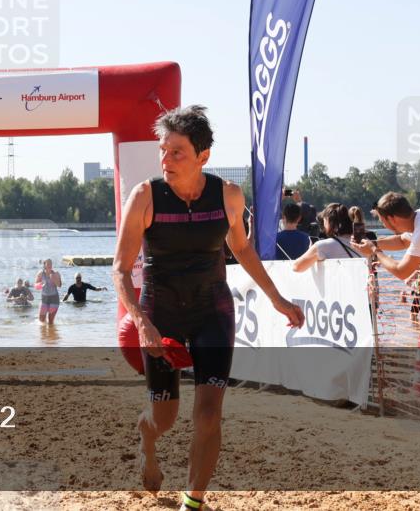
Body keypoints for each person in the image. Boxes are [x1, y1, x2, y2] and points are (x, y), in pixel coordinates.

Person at [112, 105, 304, 511]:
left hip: (211, 312)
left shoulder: (227, 196)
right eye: (163, 151)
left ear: (203, 156)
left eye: (176, 152)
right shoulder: (145, 196)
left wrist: (277, 298)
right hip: (160, 314)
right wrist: (141, 321)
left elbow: (243, 249)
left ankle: (193, 501)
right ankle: (147, 441)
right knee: (163, 418)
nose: (165, 160)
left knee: (208, 414)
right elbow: (120, 268)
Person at [351, 192, 420, 339]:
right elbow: (402, 241)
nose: (382, 225)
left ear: (392, 218)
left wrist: (375, 251)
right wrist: (372, 243)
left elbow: (402, 271)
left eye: (382, 220)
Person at [292, 203, 361, 272]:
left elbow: (296, 267)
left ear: (329, 222)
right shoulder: (363, 243)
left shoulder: (322, 246)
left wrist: (312, 250)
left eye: (324, 220)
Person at [35, 258, 62, 324]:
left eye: (51, 263)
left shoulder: (56, 273)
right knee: (41, 320)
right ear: (44, 265)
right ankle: (43, 334)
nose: (50, 265)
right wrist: (40, 285)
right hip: (44, 299)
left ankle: (51, 334)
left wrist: (54, 279)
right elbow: (35, 286)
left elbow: (59, 285)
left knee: (50, 321)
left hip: (54, 299)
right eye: (48, 263)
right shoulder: (41, 274)